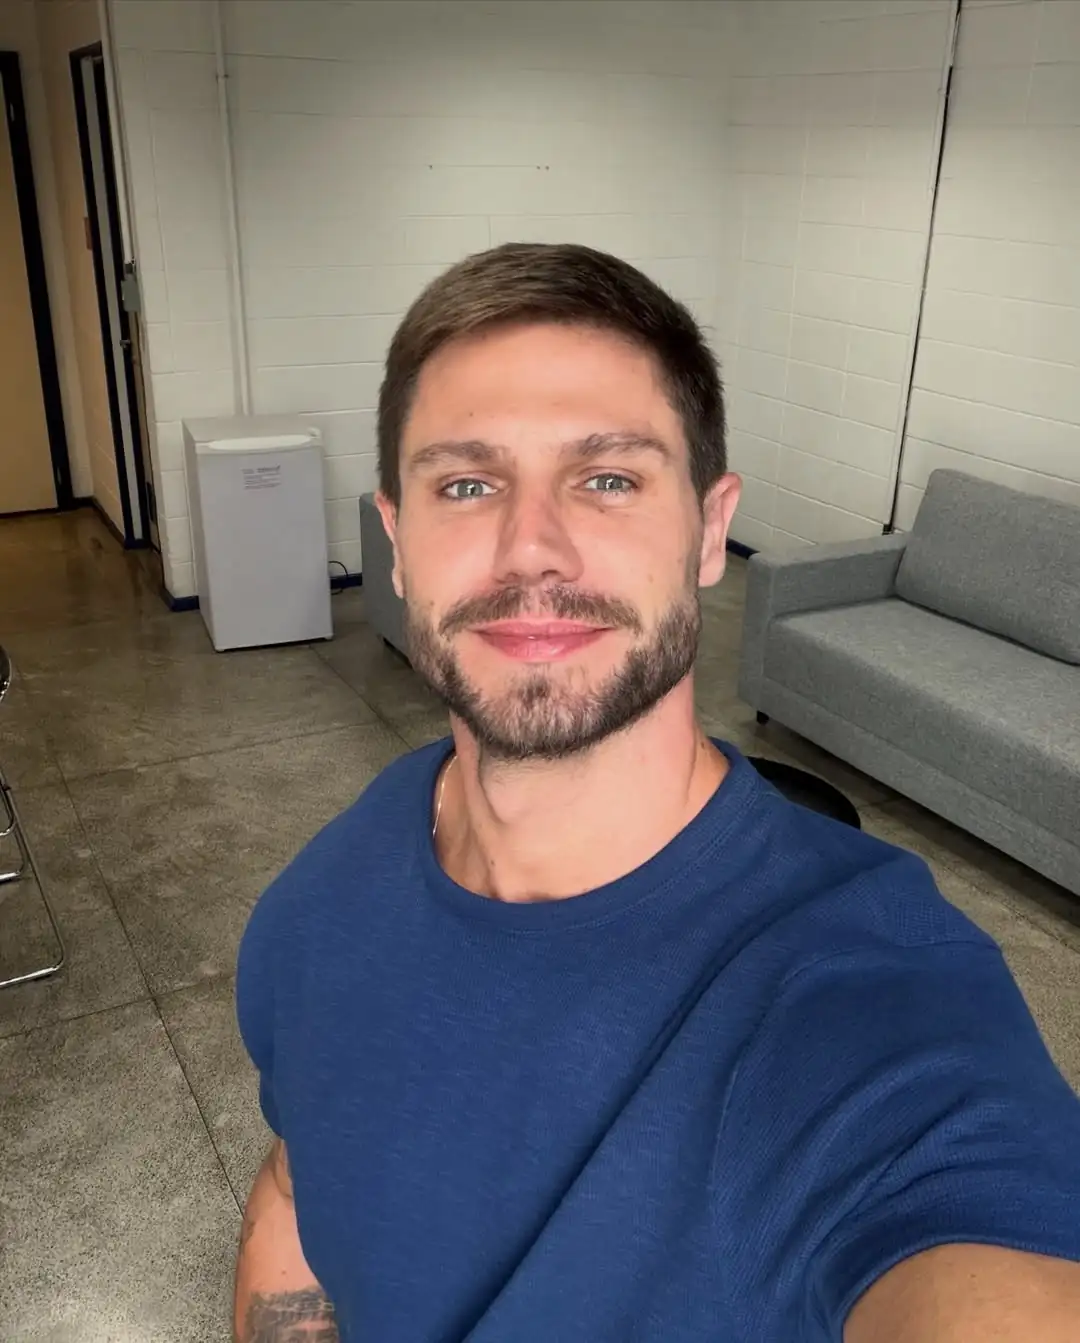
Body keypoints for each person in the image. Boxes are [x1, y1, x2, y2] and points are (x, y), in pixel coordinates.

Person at [233, 243, 1080, 1342]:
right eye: (467, 484)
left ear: (711, 529)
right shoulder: (320, 898)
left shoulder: (871, 999)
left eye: (608, 479)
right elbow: (294, 1193)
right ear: (398, 544)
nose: (531, 549)